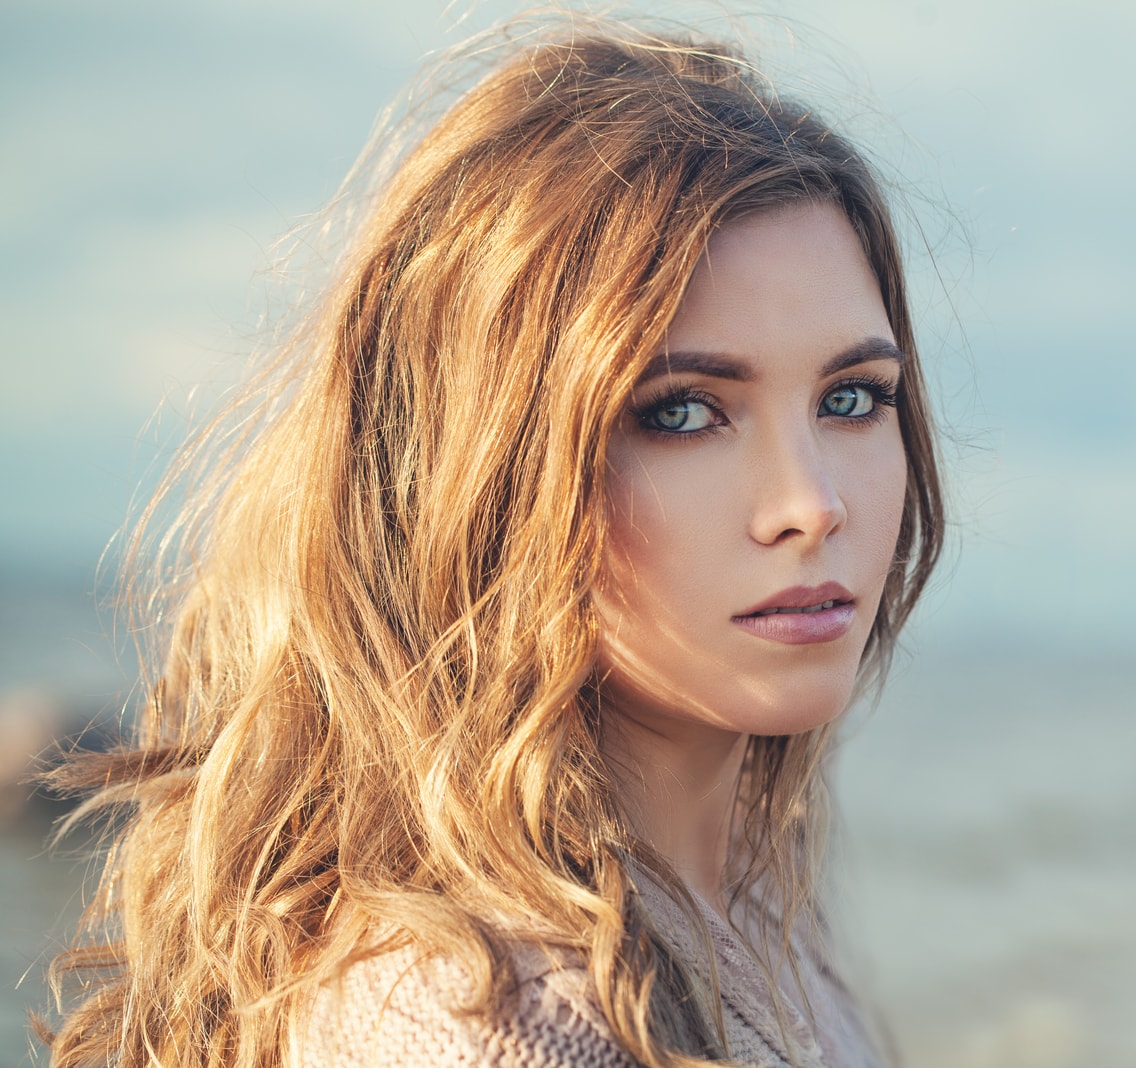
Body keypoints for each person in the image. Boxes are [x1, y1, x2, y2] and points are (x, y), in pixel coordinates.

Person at [43, 14, 942, 1068]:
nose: (812, 503)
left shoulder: (751, 895)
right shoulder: (483, 1023)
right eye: (681, 412)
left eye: (851, 396)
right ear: (480, 467)